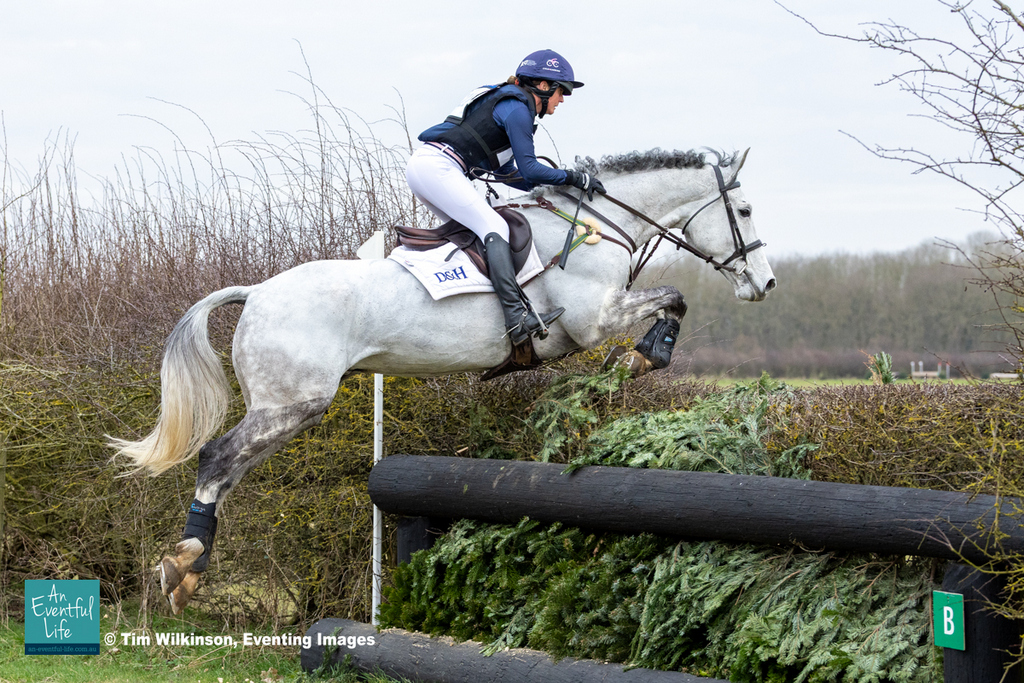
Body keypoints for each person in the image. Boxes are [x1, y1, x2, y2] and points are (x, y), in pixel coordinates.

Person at [406, 49, 605, 345]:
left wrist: (555, 189)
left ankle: (469, 307)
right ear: (542, 86)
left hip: (430, 167)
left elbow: (513, 174)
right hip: (440, 167)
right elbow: (532, 168)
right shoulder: (516, 108)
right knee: (495, 228)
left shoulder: (509, 103)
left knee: (473, 234)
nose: (562, 99)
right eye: (562, 91)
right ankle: (516, 318)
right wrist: (575, 178)